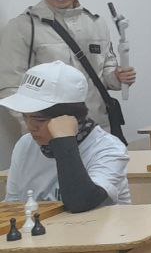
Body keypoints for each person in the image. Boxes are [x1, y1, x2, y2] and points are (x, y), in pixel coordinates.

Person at [0, 0, 136, 141]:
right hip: (51, 138)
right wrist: (36, 127)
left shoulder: (96, 23)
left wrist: (117, 76)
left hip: (99, 132)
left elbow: (105, 73)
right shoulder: (23, 27)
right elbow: (10, 87)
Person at [2, 61, 130, 211]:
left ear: (70, 118)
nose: (30, 127)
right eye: (25, 117)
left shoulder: (108, 149)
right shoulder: (25, 144)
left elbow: (80, 202)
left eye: (39, 120)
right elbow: (13, 205)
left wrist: (64, 141)